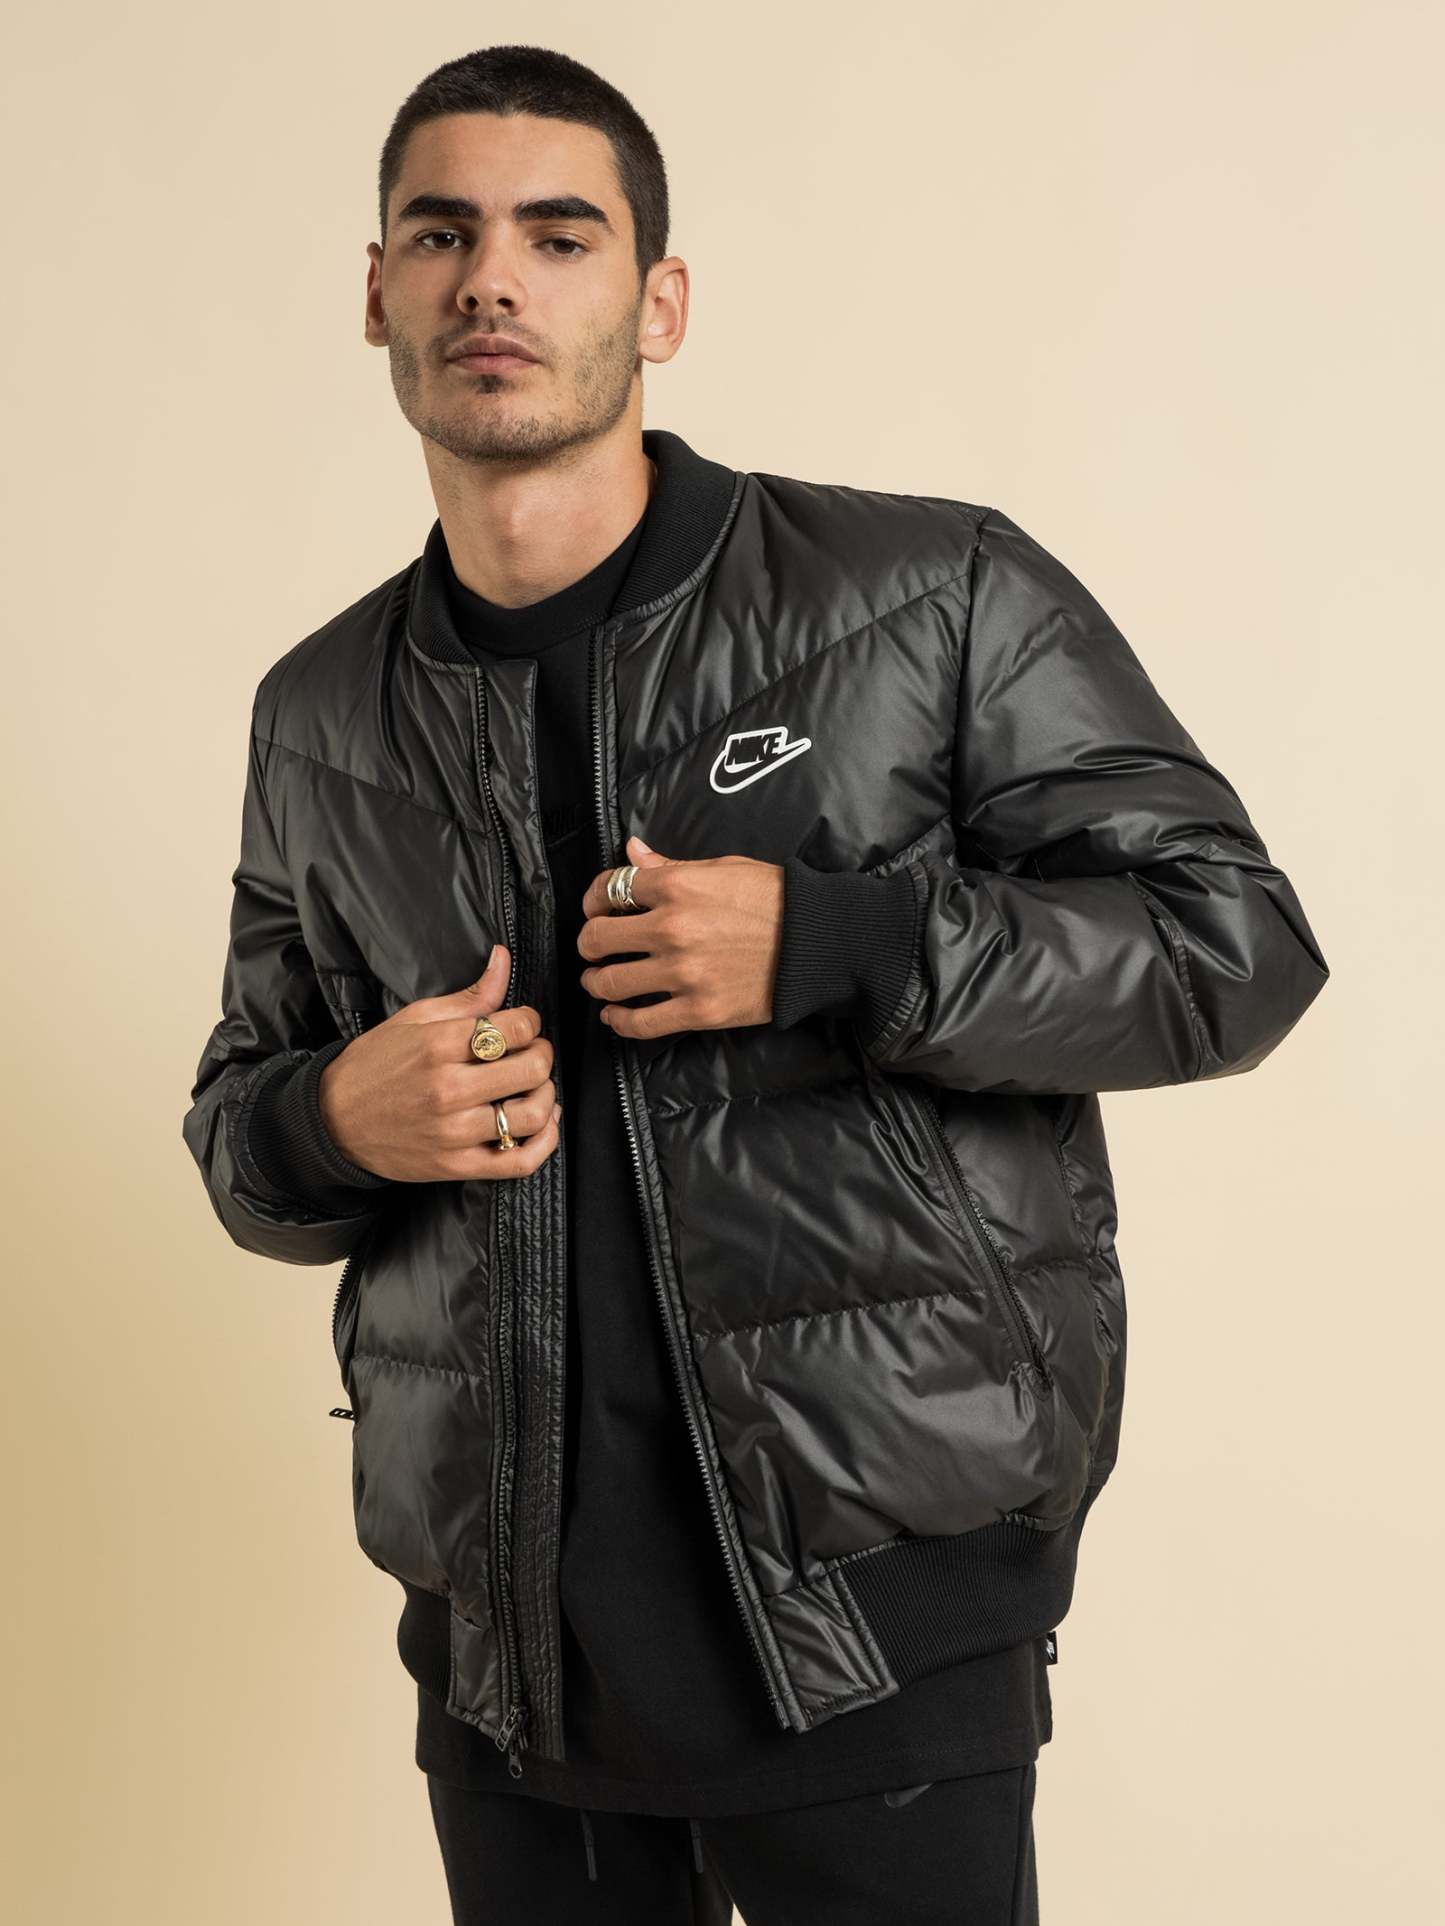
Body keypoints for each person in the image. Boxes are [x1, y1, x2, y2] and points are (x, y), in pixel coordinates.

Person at [181, 42, 1330, 1924]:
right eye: (441, 235)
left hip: (876, 1617)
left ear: (659, 302)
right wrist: (331, 1118)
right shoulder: (320, 711)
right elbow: (244, 1131)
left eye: (559, 235)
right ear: (376, 293)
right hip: (508, 1657)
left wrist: (839, 943)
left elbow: (1232, 944)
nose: (491, 279)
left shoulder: (927, 592)